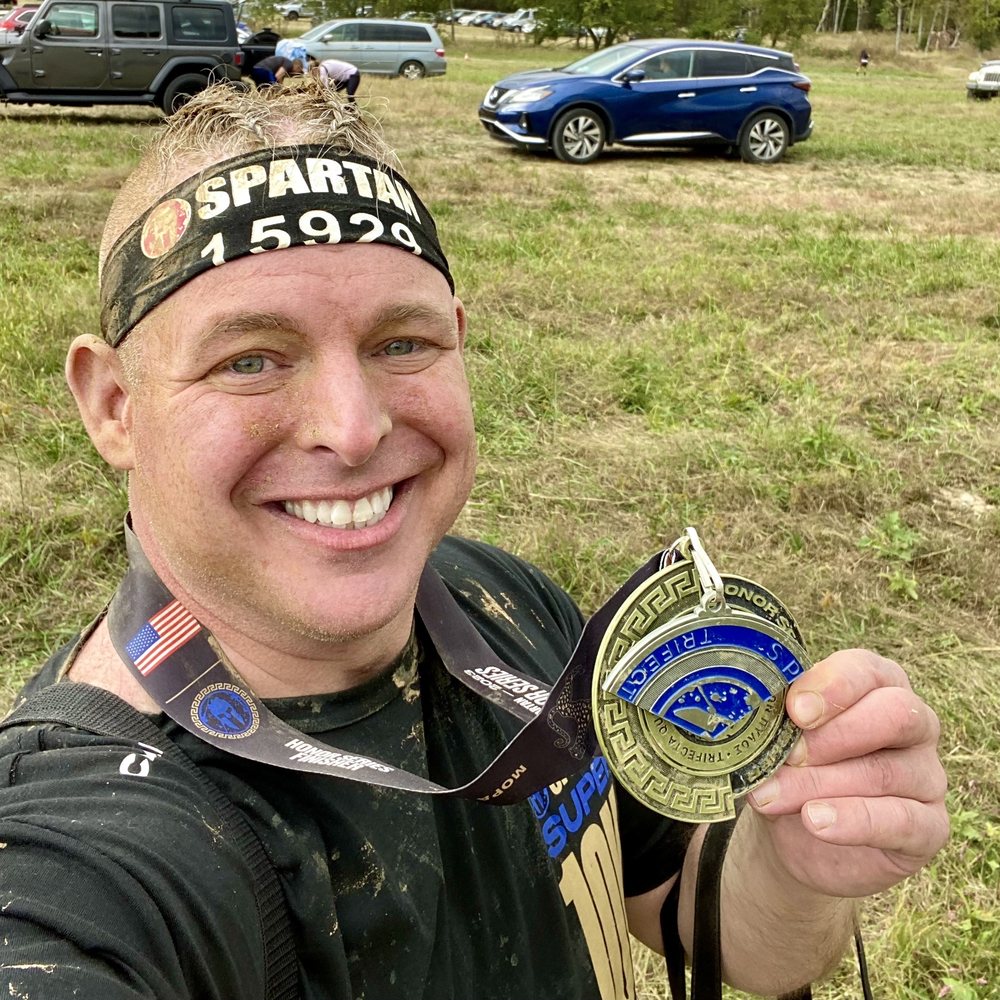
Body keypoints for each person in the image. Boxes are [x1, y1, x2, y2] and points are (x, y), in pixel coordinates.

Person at [0, 80, 948, 999]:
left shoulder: (502, 606)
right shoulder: (87, 846)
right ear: (114, 405)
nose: (354, 429)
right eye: (251, 359)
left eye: (400, 344)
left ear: (459, 340)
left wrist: (797, 860)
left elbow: (706, 920)